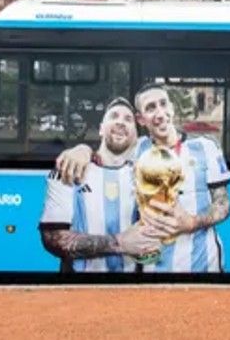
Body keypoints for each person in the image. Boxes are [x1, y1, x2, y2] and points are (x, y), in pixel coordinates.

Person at [56, 82, 230, 273]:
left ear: (171, 107)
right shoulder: (136, 151)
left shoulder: (206, 147)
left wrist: (192, 222)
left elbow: (223, 204)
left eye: (163, 104)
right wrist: (82, 150)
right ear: (141, 119)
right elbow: (105, 152)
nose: (159, 113)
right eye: (150, 108)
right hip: (153, 273)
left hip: (205, 268)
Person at [39, 98, 162, 272]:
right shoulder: (69, 169)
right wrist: (119, 243)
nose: (121, 121)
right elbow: (53, 238)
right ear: (101, 129)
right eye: (114, 116)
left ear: (136, 136)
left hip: (131, 292)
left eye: (128, 119)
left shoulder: (147, 177)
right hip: (79, 291)